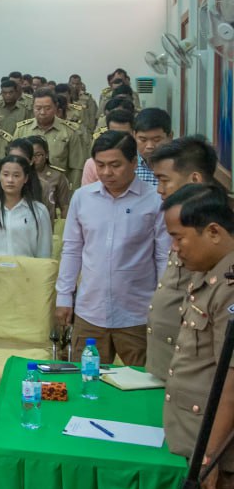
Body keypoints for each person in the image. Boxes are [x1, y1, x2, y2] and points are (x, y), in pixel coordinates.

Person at [56, 131, 169, 366]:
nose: (107, 172)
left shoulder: (154, 200)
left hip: (137, 313)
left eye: (115, 165)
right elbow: (72, 250)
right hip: (90, 311)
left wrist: (163, 303)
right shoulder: (82, 198)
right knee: (86, 378)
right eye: (100, 165)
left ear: (134, 163)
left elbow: (163, 256)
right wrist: (64, 296)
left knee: (141, 380)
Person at [159, 183, 234, 489]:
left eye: (179, 238)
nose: (175, 249)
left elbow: (231, 379)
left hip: (219, 454)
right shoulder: (211, 271)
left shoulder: (230, 287)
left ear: (213, 232)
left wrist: (211, 455)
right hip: (195, 438)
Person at [146, 135, 217, 382]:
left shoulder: (212, 232)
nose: (159, 189)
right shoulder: (185, 221)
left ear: (194, 179)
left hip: (192, 369)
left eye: (165, 180)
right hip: (167, 362)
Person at [0, 155, 52, 257]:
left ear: (25, 178)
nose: (10, 180)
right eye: (5, 175)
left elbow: (44, 253)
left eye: (16, 175)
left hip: (26, 267)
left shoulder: (39, 210)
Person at [27, 135, 72, 220]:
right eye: (30, 155)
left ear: (46, 154)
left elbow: (64, 206)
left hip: (50, 221)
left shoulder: (58, 176)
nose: (34, 159)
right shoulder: (21, 175)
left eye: (38, 155)